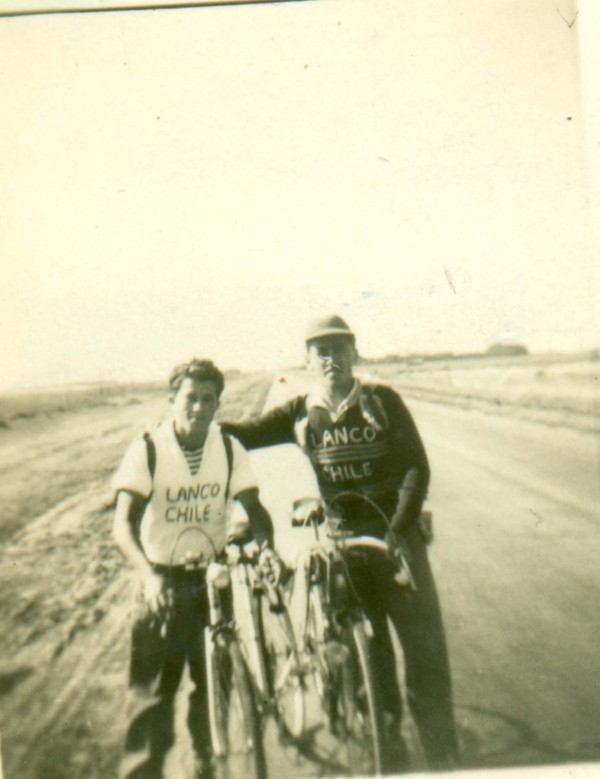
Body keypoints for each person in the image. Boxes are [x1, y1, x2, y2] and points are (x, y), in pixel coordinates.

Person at [221, 314, 459, 772]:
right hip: (343, 542)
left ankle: (444, 758)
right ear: (308, 359)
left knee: (424, 654)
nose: (331, 359)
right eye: (321, 351)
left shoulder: (381, 401)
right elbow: (248, 434)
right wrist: (197, 428)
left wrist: (397, 529)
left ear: (355, 353)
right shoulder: (301, 410)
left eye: (339, 349)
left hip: (394, 539)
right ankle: (384, 745)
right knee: (365, 651)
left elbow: (415, 468)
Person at [112, 358, 275, 779]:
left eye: (209, 399)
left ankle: (206, 760)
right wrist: (148, 577)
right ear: (172, 399)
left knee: (214, 685)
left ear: (218, 404)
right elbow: (122, 526)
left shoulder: (227, 447)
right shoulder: (148, 448)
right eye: (190, 398)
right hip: (161, 584)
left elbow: (255, 510)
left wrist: (268, 549)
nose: (199, 408)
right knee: (152, 700)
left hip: (210, 581)